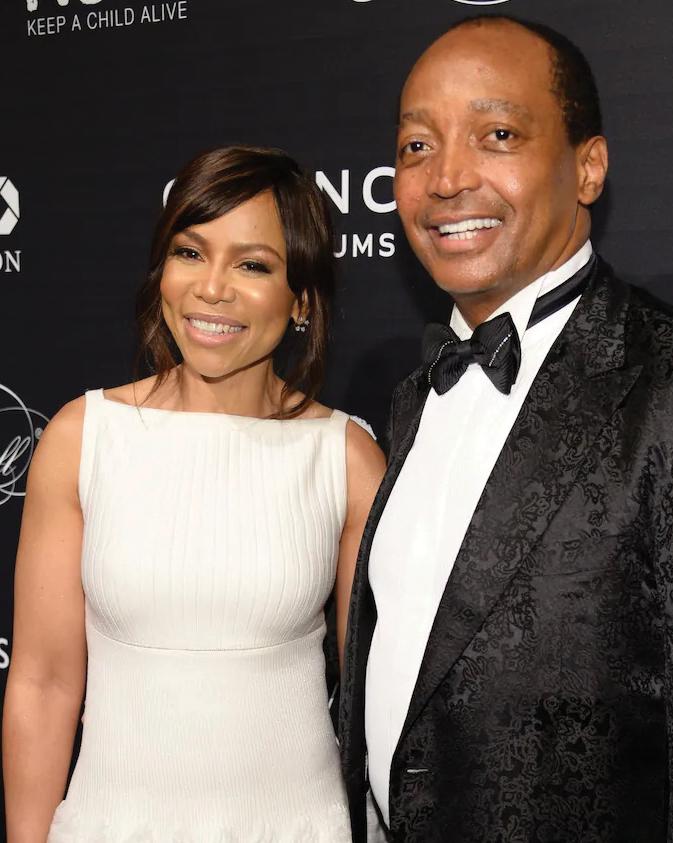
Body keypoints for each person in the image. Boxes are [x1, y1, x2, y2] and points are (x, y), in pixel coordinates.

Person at [339, 15, 673, 842]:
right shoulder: (416, 397)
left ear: (587, 167)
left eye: (497, 134)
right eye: (417, 146)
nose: (446, 177)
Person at [2, 145, 385, 842]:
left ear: (301, 298)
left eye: (253, 265)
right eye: (190, 252)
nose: (212, 288)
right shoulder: (83, 437)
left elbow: (378, 705)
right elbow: (43, 682)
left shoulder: (346, 458)